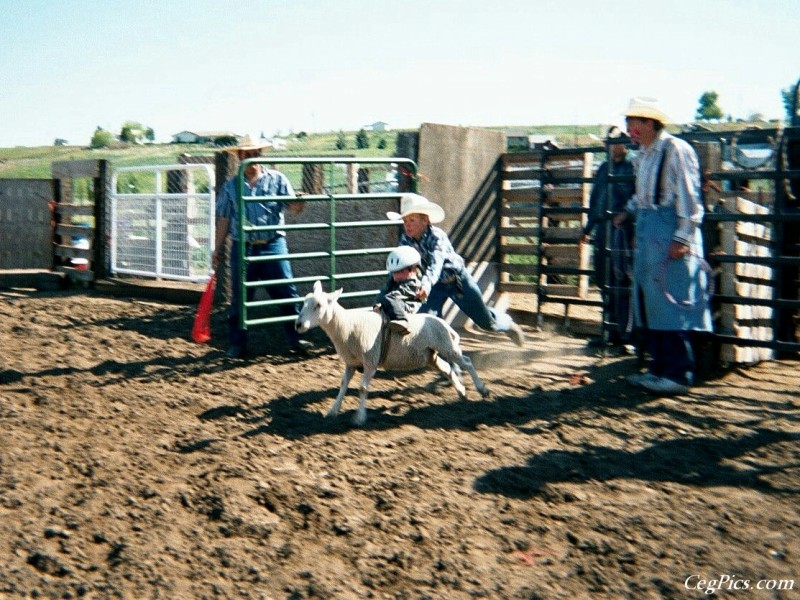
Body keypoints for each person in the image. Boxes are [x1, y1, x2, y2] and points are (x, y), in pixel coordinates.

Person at [613, 97, 712, 395]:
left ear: (650, 123)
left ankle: (679, 373)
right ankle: (658, 368)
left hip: (669, 231)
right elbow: (643, 196)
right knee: (650, 301)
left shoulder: (675, 150)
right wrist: (629, 212)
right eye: (629, 122)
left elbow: (689, 197)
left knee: (672, 301)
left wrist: (683, 236)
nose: (631, 128)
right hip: (648, 232)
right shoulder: (643, 155)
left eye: (636, 122)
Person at [212, 142, 312, 358]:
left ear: (260, 154)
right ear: (239, 156)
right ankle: (237, 344)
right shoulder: (231, 186)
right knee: (240, 297)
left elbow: (292, 207)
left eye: (255, 153)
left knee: (286, 292)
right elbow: (223, 218)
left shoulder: (277, 179)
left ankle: (297, 339)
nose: (251, 157)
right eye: (246, 153)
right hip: (243, 246)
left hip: (273, 243)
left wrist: (300, 201)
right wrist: (217, 248)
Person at [387, 193, 525, 346]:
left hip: (457, 281)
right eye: (405, 221)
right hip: (435, 287)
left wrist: (425, 284)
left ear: (425, 220)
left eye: (412, 220)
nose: (407, 225)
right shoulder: (405, 241)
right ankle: (447, 362)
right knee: (428, 322)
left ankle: (507, 325)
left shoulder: (438, 237)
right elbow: (399, 266)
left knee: (486, 322)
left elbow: (435, 264)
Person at [580, 126, 635, 351]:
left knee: (621, 279)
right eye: (610, 143)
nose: (613, 146)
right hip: (603, 230)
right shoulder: (604, 169)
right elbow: (595, 201)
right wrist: (587, 229)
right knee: (604, 279)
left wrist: (628, 218)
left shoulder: (632, 167)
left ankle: (625, 335)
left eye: (617, 142)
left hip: (622, 231)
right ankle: (609, 330)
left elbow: (636, 199)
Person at [373, 246, 424, 334]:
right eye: (394, 272)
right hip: (396, 305)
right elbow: (384, 291)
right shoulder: (394, 280)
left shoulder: (414, 283)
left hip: (409, 307)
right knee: (384, 297)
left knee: (390, 298)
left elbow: (398, 294)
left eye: (400, 271)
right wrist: (377, 304)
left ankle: (402, 321)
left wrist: (385, 300)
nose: (396, 276)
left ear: (414, 270)